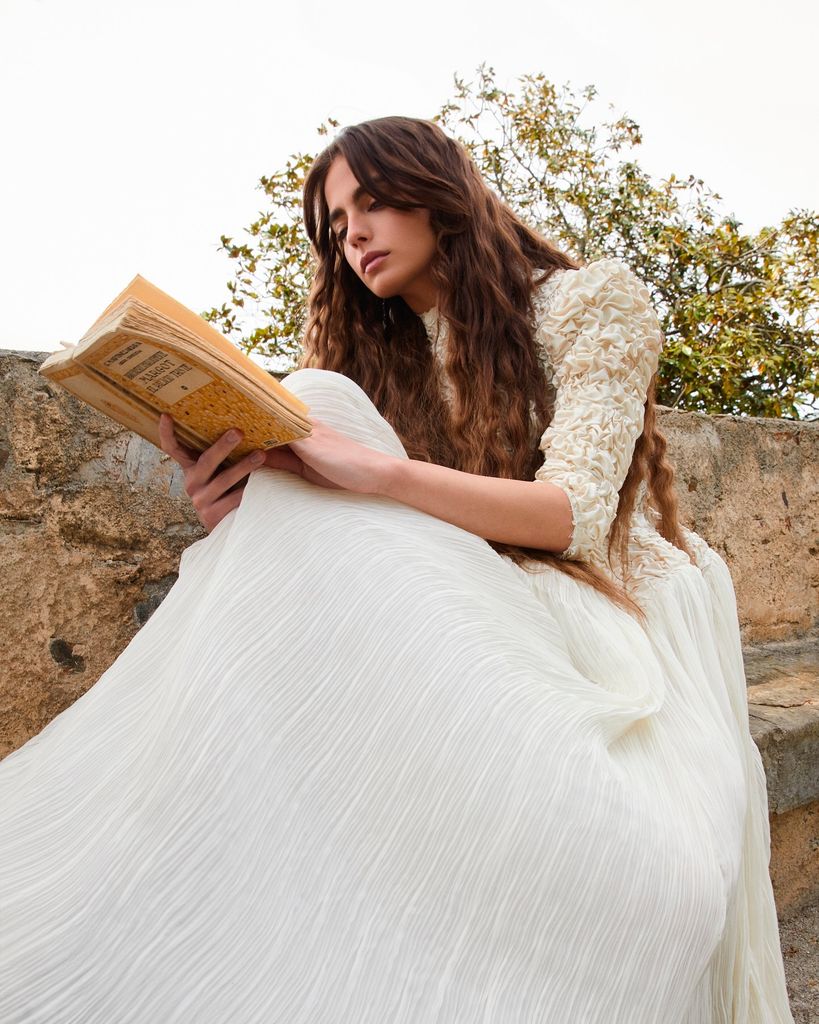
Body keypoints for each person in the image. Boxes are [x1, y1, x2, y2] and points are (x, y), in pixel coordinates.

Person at [0, 117, 794, 1023]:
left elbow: (570, 518)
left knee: (321, 409)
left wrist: (374, 472)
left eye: (371, 203)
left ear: (439, 190)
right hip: (467, 568)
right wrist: (238, 505)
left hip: (606, 580)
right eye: (337, 223)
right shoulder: (370, 352)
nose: (355, 236)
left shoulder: (587, 301)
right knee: (313, 398)